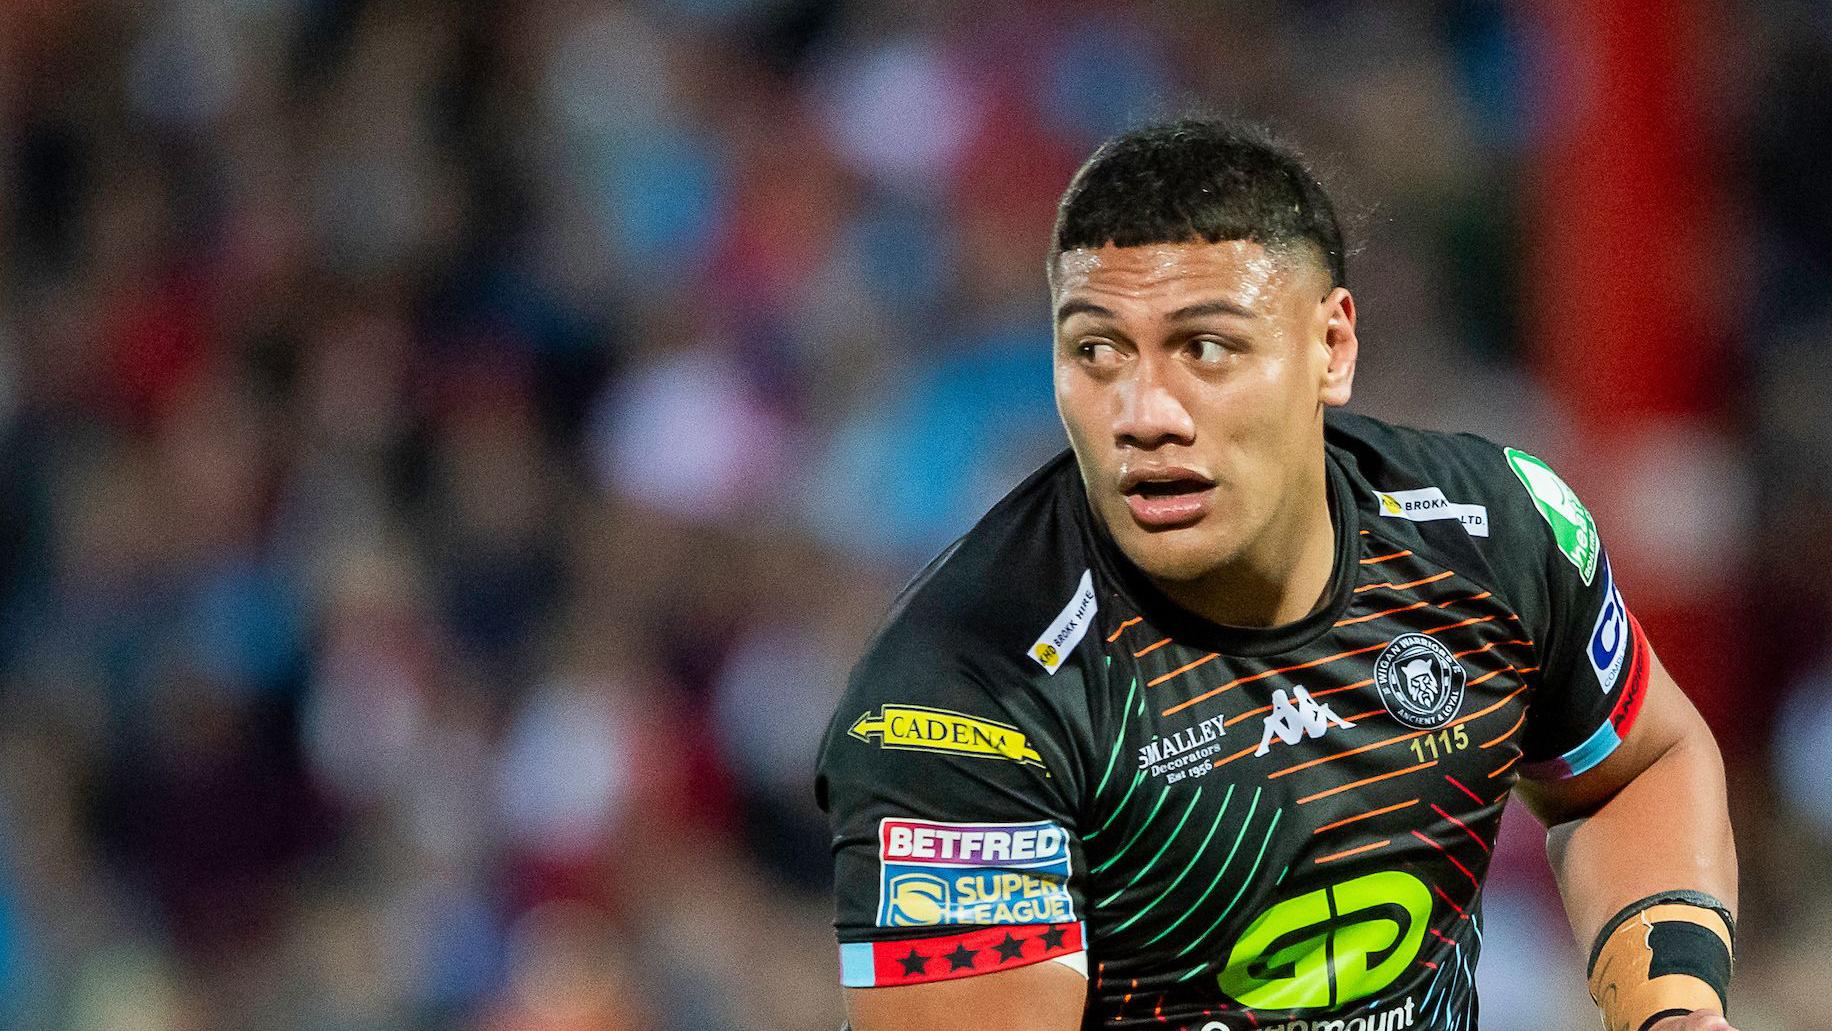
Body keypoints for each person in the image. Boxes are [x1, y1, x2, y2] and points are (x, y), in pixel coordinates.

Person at [814, 119, 1739, 1031]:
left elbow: (1631, 770)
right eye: (1096, 349)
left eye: (1204, 348)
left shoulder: (1491, 532)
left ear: (1330, 348)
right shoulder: (968, 699)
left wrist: (1672, 1011)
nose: (1143, 413)